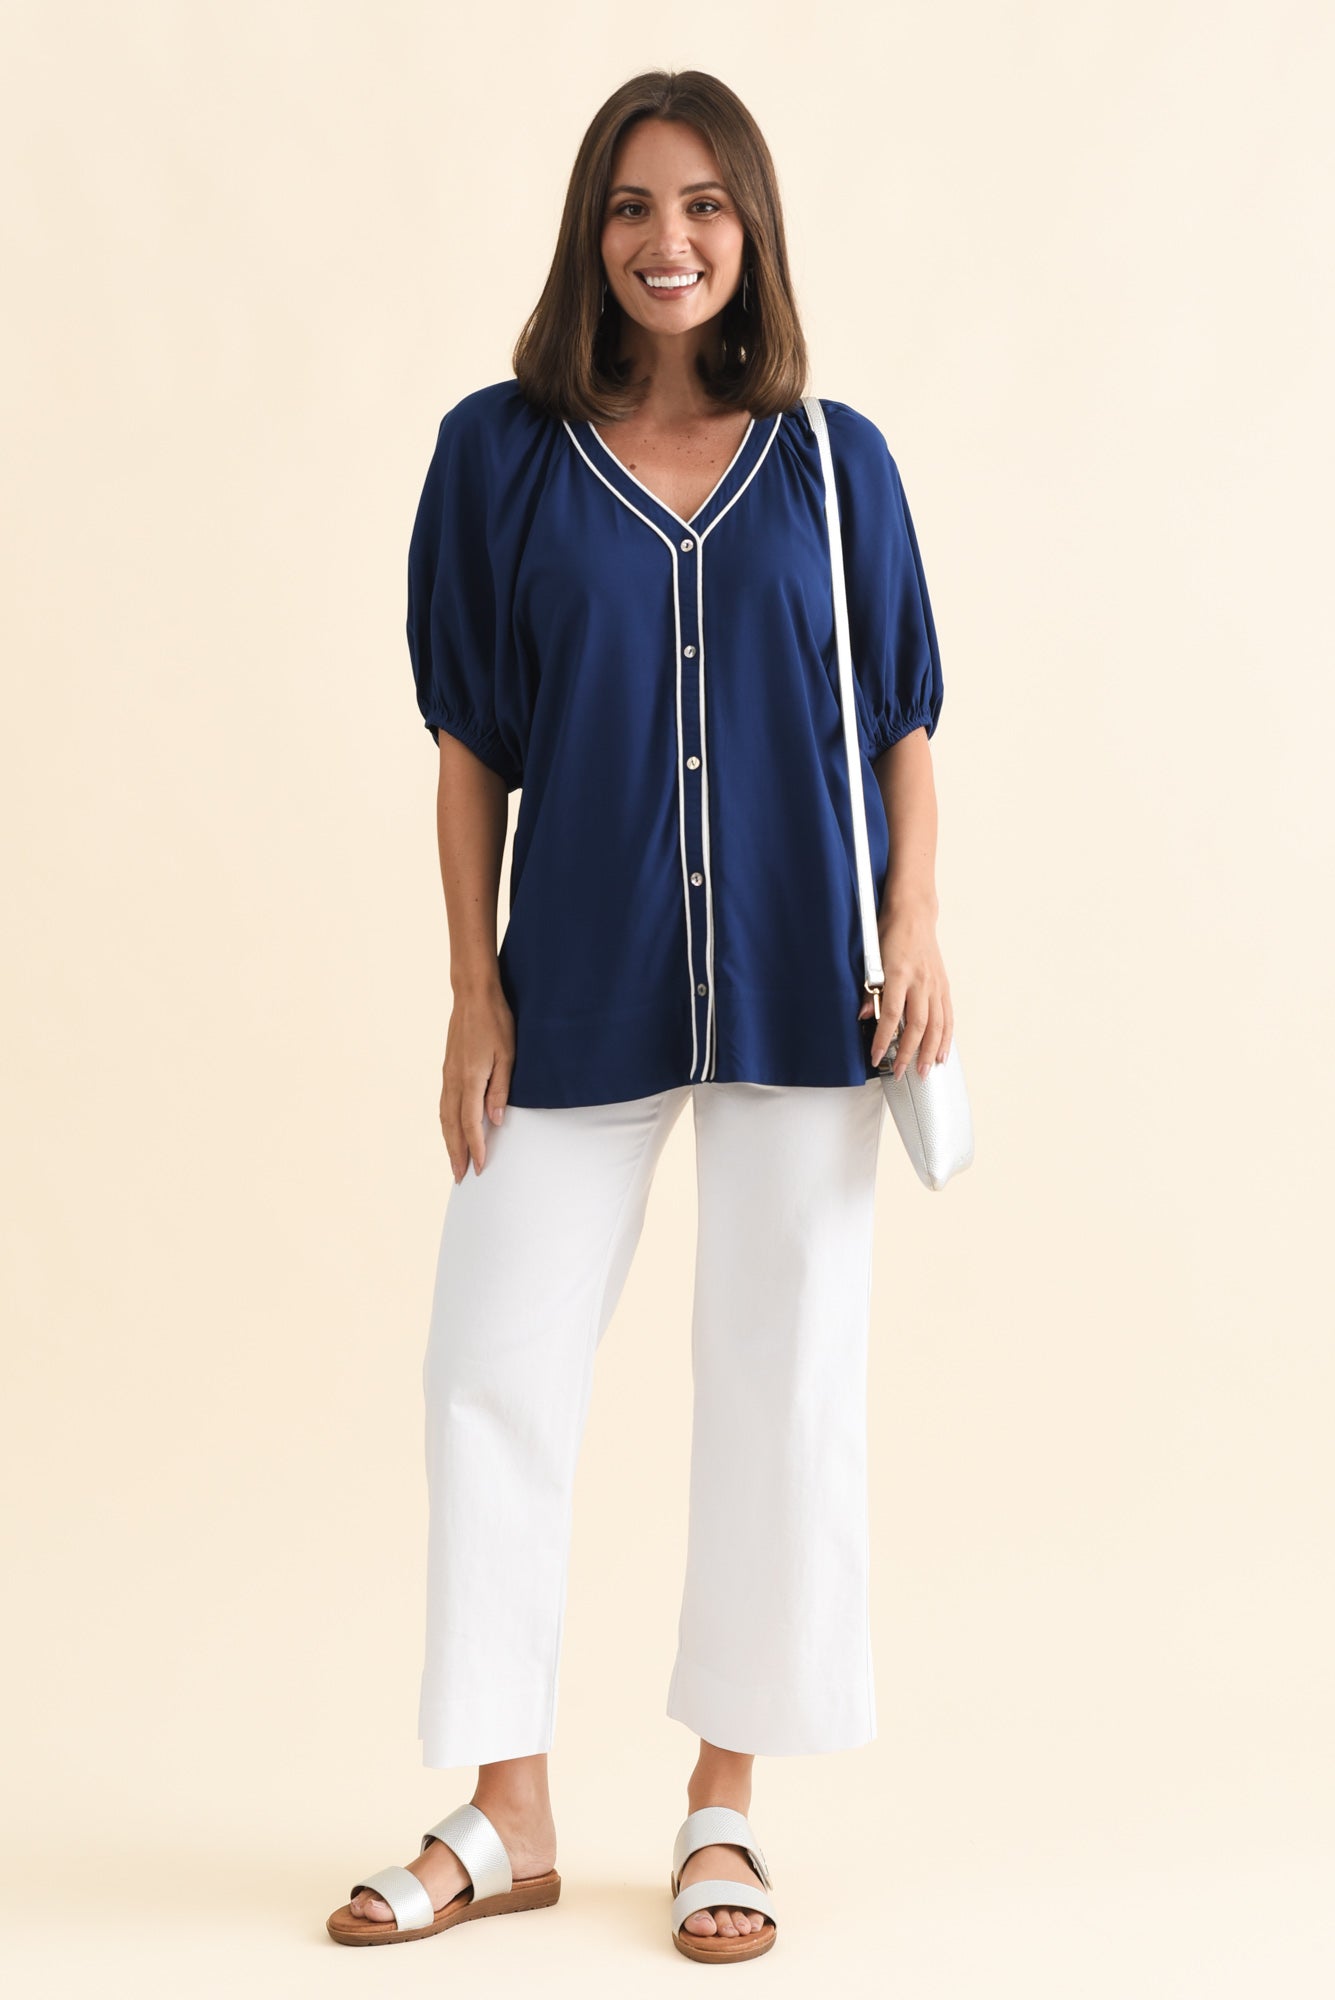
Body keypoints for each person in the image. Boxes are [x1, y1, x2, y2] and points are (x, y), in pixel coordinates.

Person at [326, 67, 953, 1965]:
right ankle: (505, 1813)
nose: (665, 240)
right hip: (577, 983)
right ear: (589, 233)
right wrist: (470, 986)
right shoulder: (498, 455)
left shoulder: (834, 463)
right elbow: (469, 745)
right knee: (488, 1368)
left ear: (749, 228)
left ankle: (722, 1802)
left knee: (780, 1374)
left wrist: (920, 922)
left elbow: (900, 715)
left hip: (803, 985)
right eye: (629, 205)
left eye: (702, 204)